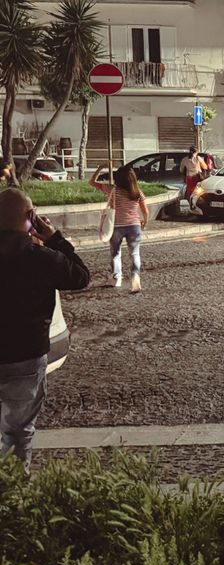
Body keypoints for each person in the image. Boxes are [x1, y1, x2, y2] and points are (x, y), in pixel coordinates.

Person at [0, 188, 90, 469]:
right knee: (18, 431)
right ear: (30, 218)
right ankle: (12, 496)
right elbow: (80, 276)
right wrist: (54, 239)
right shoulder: (40, 257)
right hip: (25, 356)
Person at [91, 164, 149, 292]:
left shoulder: (113, 190)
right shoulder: (137, 192)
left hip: (116, 226)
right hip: (134, 226)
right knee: (134, 253)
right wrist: (145, 221)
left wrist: (100, 169)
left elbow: (92, 182)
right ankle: (135, 278)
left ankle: (116, 278)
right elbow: (145, 211)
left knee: (116, 253)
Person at [179, 146, 207, 213]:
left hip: (189, 178)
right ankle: (196, 205)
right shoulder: (198, 158)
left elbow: (181, 170)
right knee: (198, 192)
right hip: (197, 177)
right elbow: (205, 167)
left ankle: (190, 206)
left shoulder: (184, 159)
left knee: (190, 192)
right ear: (197, 152)